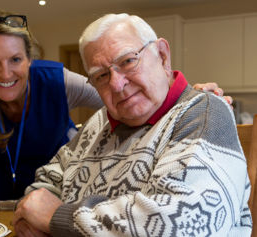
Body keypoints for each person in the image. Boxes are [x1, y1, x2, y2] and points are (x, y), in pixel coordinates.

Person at [0, 9, 232, 225]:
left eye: (16, 60)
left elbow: (127, 99)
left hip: (67, 203)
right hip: (11, 204)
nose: (6, 73)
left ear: (30, 59)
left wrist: (188, 94)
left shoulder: (58, 80)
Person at [13, 13, 251, 236]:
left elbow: (180, 222)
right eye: (101, 76)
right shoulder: (99, 122)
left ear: (162, 55)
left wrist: (58, 217)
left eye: (128, 61)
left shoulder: (204, 113)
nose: (117, 84)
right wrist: (30, 217)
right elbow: (46, 185)